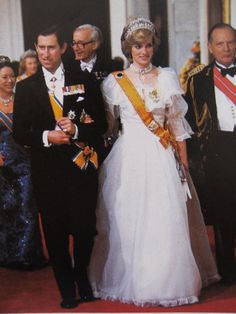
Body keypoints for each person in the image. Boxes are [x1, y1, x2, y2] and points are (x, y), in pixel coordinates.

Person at [89, 18, 220, 307]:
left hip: (162, 155)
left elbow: (177, 125)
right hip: (129, 158)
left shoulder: (167, 77)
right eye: (138, 46)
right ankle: (133, 279)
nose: (144, 51)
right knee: (127, 216)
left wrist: (183, 164)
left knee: (165, 216)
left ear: (153, 47)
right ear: (129, 48)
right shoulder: (115, 82)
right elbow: (110, 126)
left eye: (148, 45)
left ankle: (167, 281)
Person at [13, 25, 107, 309]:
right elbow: (20, 133)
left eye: (51, 47)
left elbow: (101, 124)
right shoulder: (27, 87)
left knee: (83, 227)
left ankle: (81, 277)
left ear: (63, 48)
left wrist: (77, 130)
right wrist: (46, 136)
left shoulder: (84, 79)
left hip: (81, 167)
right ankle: (66, 287)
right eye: (40, 48)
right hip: (47, 171)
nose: (45, 53)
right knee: (54, 232)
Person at [185, 23, 236, 285]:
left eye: (231, 42)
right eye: (220, 43)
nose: (226, 48)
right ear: (209, 47)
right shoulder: (198, 78)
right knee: (224, 211)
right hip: (217, 152)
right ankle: (227, 269)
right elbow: (191, 123)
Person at [0, 59, 46, 270]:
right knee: (7, 208)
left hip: (24, 161)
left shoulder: (22, 100)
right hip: (2, 163)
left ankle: (28, 254)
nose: (9, 81)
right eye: (4, 77)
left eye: (12, 77)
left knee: (27, 206)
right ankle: (8, 255)